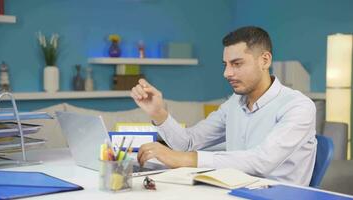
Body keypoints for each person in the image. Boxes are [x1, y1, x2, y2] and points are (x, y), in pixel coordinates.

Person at [130, 26, 317, 186]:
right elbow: (188, 143)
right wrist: (158, 113)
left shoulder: (298, 107)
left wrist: (183, 159)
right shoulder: (234, 104)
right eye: (225, 65)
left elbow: (262, 161)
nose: (227, 73)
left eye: (236, 64)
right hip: (232, 190)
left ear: (265, 60)